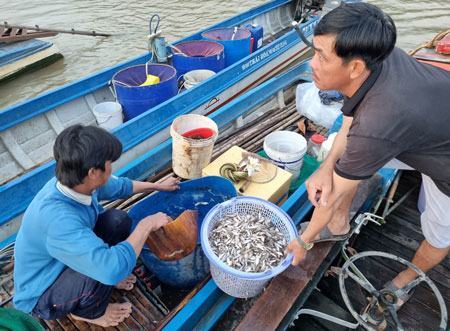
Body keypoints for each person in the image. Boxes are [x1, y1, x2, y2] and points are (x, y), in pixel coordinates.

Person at [287, 2, 450, 310]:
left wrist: (304, 241)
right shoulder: (379, 55)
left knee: (439, 235)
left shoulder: (378, 125)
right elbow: (351, 114)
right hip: (423, 127)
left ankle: (404, 282)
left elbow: (334, 191)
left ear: (356, 67)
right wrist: (325, 168)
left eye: (322, 56)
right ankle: (338, 226)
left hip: (445, 164)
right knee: (336, 150)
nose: (312, 63)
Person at [13, 124, 180, 327]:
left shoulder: (76, 181)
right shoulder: (58, 220)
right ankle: (87, 313)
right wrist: (146, 225)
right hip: (43, 291)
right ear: (93, 172)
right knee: (105, 272)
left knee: (119, 221)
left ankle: (96, 287)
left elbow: (120, 186)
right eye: (109, 163)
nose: (111, 167)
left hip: (66, 256)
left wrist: (158, 186)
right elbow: (110, 269)